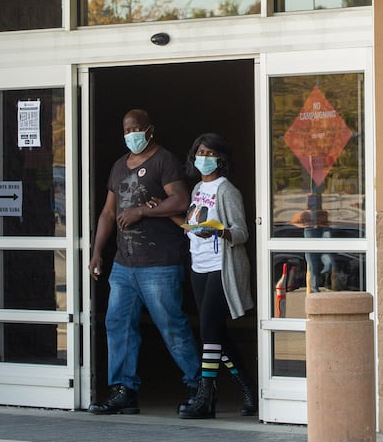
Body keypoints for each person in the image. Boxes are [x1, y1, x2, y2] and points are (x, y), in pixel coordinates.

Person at [88, 109, 201, 414]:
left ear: (150, 130)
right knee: (118, 323)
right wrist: (97, 251)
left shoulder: (164, 160)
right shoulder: (118, 166)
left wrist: (142, 211)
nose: (131, 135)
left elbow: (181, 200)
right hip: (124, 264)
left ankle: (199, 387)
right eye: (126, 130)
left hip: (160, 262)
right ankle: (123, 391)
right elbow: (108, 213)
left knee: (171, 325)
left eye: (136, 129)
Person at [179, 133, 257, 419]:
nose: (204, 158)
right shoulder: (198, 187)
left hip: (220, 267)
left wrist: (218, 231)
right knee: (217, 335)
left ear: (221, 159)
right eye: (200, 152)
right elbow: (191, 222)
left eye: (210, 153)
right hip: (198, 264)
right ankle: (249, 388)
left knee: (209, 333)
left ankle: (205, 396)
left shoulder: (227, 190)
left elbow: (241, 232)